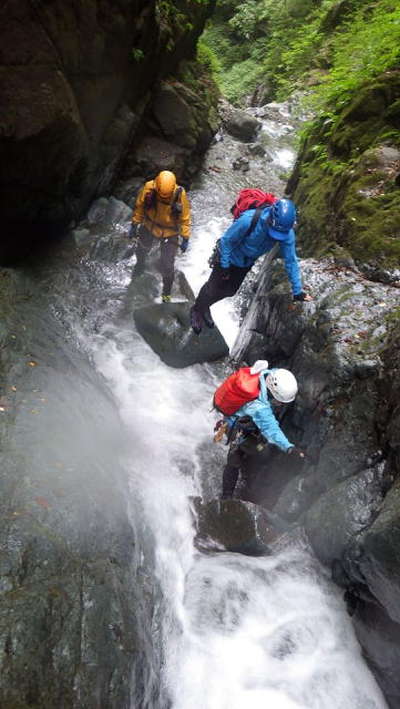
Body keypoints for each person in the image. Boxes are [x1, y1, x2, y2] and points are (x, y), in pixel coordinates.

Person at [190, 198, 312, 334]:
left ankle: (205, 305)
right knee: (212, 288)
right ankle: (196, 309)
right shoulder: (249, 220)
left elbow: (291, 261)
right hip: (227, 257)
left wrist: (297, 291)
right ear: (270, 218)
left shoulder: (286, 233)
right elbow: (226, 242)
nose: (277, 237)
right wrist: (224, 265)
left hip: (245, 263)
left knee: (230, 291)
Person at [218, 362, 305, 499]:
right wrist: (289, 447)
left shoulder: (267, 374)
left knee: (257, 447)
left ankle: (249, 455)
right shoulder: (259, 407)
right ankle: (226, 496)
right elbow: (272, 429)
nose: (281, 404)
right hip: (237, 425)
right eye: (280, 400)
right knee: (235, 459)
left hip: (243, 419)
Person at [129, 170, 191, 302]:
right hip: (149, 225)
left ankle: (166, 294)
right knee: (141, 250)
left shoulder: (180, 194)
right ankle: (139, 266)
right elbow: (140, 207)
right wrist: (135, 224)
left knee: (168, 266)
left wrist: (185, 237)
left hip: (170, 232)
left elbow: (185, 218)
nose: (164, 198)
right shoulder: (149, 188)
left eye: (166, 196)